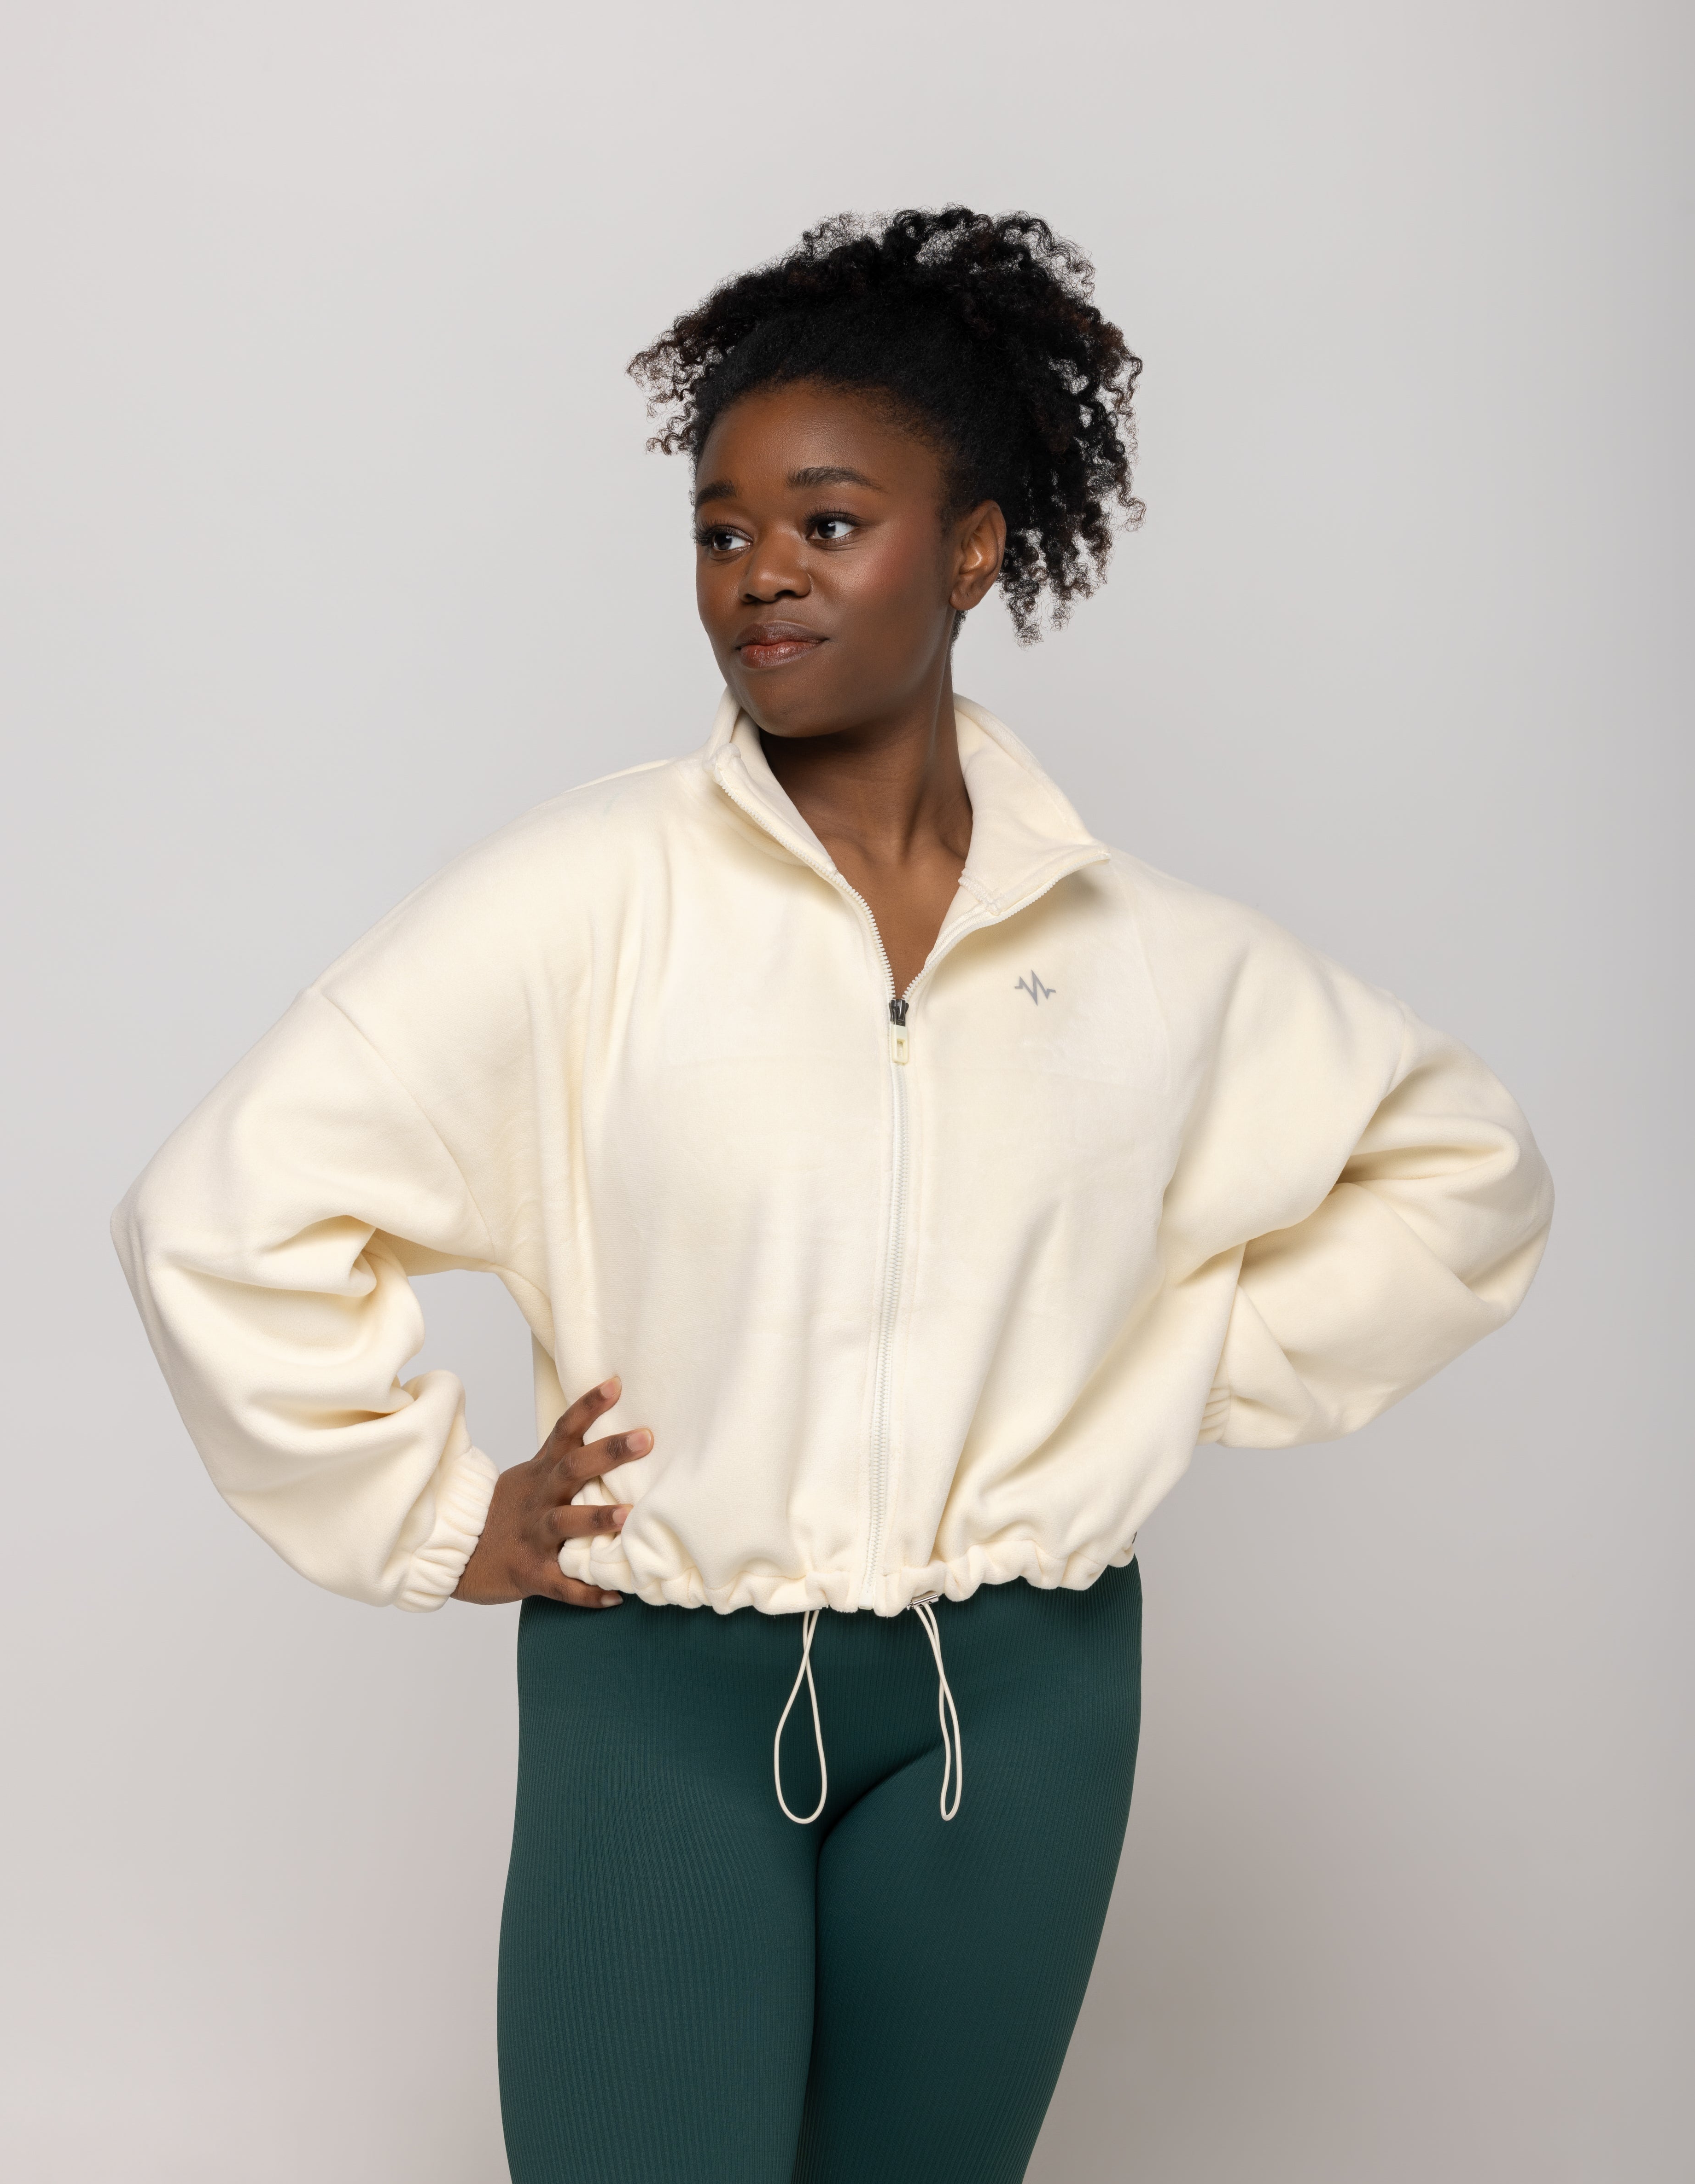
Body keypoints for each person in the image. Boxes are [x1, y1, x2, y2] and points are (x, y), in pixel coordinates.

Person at [112, 207, 1554, 2183]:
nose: (760, 574)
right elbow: (222, 1207)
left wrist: (1164, 1360)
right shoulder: (584, 901)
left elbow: (1461, 1166)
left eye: (827, 522)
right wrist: (442, 1515)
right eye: (721, 531)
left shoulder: (1144, 956)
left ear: (971, 549)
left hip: (1020, 1704)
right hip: (661, 1685)